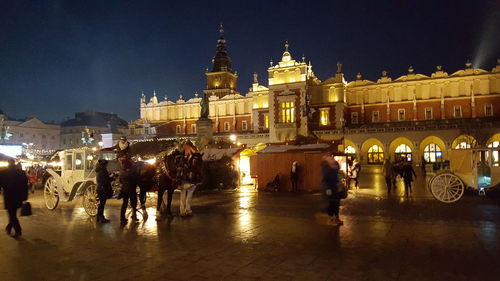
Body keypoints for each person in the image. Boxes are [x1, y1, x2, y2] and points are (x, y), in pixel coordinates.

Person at [0, 159, 29, 238]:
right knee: (13, 214)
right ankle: (9, 228)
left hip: (8, 196)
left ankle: (18, 230)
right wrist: (25, 196)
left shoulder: (3, 173)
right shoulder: (21, 172)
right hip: (18, 196)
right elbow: (25, 186)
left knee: (11, 214)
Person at [321, 154, 344, 226]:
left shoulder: (334, 166)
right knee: (332, 204)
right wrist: (328, 188)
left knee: (337, 204)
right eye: (330, 158)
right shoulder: (326, 168)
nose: (332, 159)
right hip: (331, 188)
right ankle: (330, 219)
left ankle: (336, 218)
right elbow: (325, 179)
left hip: (337, 187)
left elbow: (338, 170)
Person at [119, 158, 138, 224]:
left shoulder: (122, 173)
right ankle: (134, 216)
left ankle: (122, 219)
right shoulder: (132, 173)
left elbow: (120, 181)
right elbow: (136, 181)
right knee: (134, 204)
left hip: (124, 190)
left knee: (124, 204)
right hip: (132, 190)